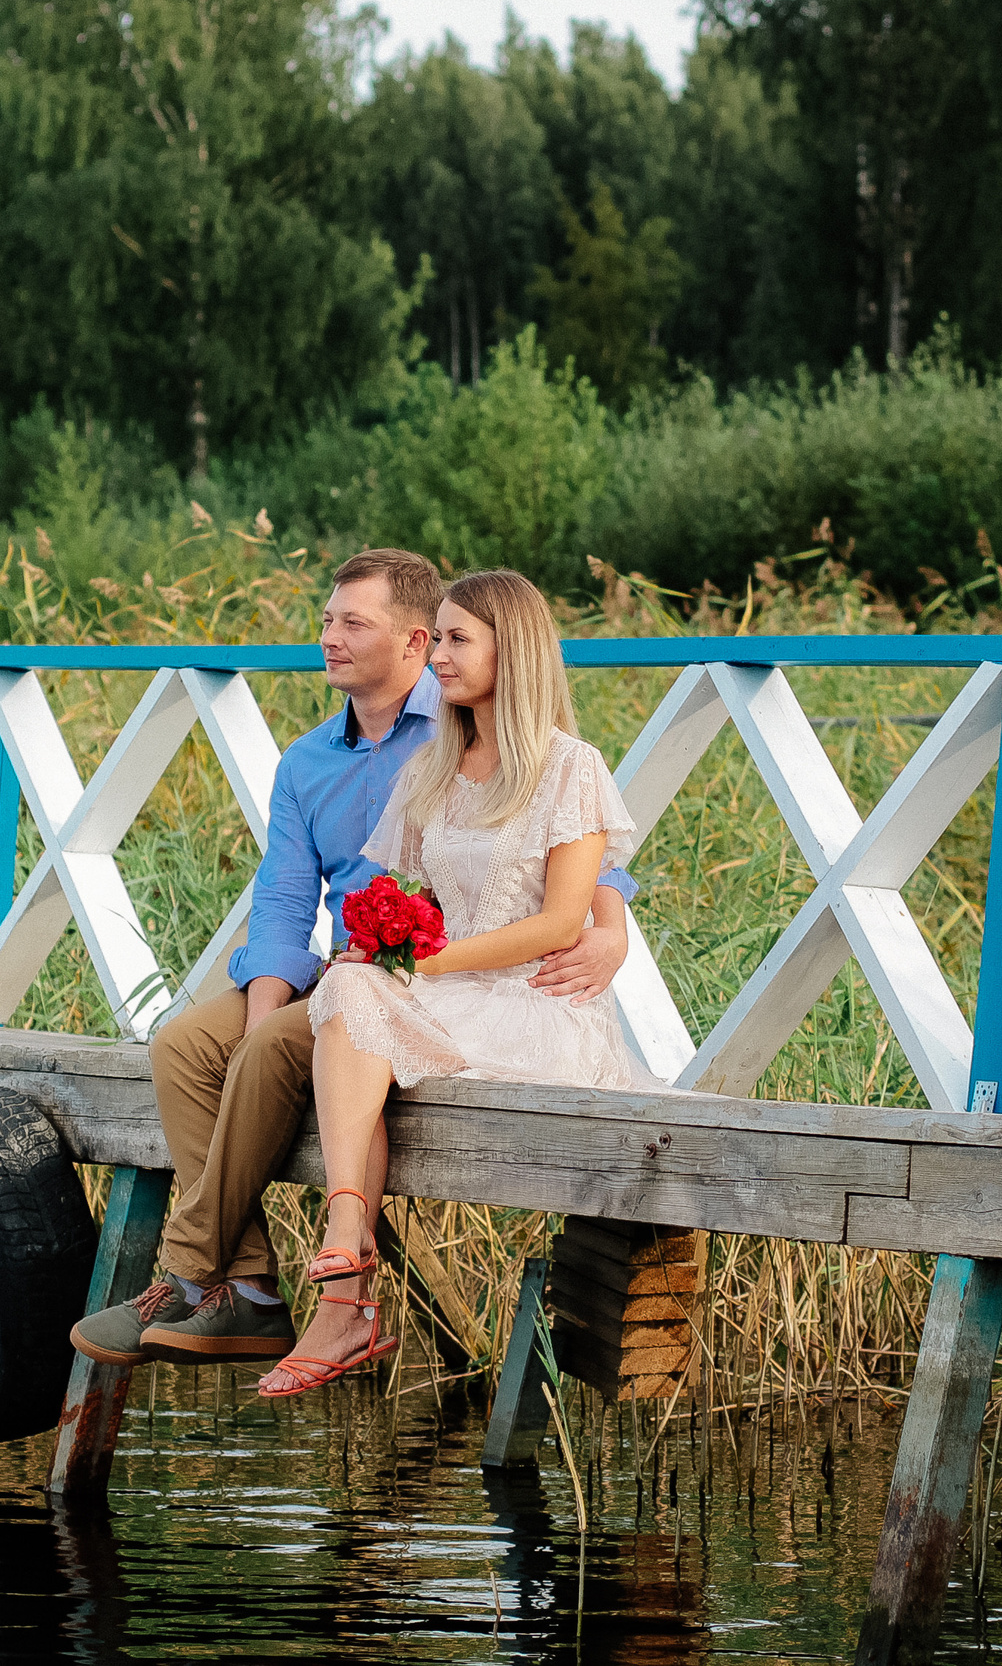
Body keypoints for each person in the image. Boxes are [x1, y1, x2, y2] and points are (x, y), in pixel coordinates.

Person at [68, 549, 640, 1368]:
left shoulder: (470, 725)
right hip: (357, 966)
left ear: (412, 642)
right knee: (186, 1045)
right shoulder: (317, 761)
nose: (328, 637)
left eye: (352, 623)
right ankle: (249, 1286)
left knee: (284, 1041)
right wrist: (265, 1006)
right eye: (327, 620)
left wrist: (611, 929)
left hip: (425, 976)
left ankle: (191, 1273)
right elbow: (282, 899)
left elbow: (570, 854)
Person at [257, 569, 671, 1398]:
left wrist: (422, 963)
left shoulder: (569, 766)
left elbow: (560, 922)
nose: (438, 656)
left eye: (456, 639)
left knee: (360, 1002)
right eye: (437, 636)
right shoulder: (435, 766)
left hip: (534, 1002)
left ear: (511, 650)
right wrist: (382, 948)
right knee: (347, 988)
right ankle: (348, 1233)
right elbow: (404, 896)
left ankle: (345, 1288)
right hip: (447, 996)